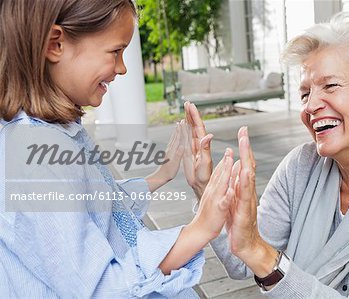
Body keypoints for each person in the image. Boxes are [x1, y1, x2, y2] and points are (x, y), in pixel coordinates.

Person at [190, 12, 349, 298]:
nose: (311, 105)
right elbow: (242, 261)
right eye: (304, 94)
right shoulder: (300, 166)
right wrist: (207, 190)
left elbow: (256, 252)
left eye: (330, 85)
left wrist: (261, 253)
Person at [0, 0, 234, 298]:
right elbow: (102, 288)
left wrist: (162, 174)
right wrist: (201, 228)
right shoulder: (32, 153)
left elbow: (97, 204)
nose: (122, 68)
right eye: (115, 52)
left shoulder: (54, 132)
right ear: (55, 44)